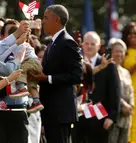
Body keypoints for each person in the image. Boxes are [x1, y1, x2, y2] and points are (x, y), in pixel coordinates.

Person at [29, 4, 83, 143]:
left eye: (46, 18)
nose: (43, 21)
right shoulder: (53, 42)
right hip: (51, 110)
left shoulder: (67, 42)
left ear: (57, 19)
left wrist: (47, 78)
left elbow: (77, 75)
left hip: (61, 112)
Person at [72, 31, 120, 143]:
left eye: (92, 44)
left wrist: (112, 117)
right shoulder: (75, 64)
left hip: (100, 120)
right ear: (82, 45)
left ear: (98, 46)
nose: (89, 46)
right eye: (87, 43)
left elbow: (115, 92)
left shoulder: (108, 65)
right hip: (79, 118)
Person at [0, 21, 44, 113]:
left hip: (29, 64)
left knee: (20, 71)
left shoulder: (21, 46)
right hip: (6, 105)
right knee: (31, 85)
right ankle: (37, 102)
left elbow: (11, 67)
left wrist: (17, 43)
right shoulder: (19, 45)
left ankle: (21, 88)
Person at [107, 38, 134, 143]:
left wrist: (130, 106)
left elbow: (131, 91)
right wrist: (123, 105)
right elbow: (112, 92)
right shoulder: (107, 70)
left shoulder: (126, 72)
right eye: (116, 51)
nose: (119, 54)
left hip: (127, 117)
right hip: (114, 117)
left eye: (121, 51)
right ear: (111, 52)